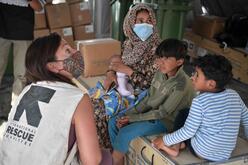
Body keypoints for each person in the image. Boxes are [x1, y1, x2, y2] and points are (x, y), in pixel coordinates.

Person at [0, 33, 102, 165]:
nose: (76, 51)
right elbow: (92, 160)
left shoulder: (27, 90)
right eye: (67, 50)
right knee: (106, 157)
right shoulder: (77, 98)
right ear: (53, 66)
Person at [108, 38, 196, 165]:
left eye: (166, 58)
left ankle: (116, 158)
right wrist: (129, 114)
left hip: (168, 121)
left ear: (180, 62)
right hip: (153, 112)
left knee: (125, 132)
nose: (161, 62)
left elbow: (163, 113)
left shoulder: (181, 84)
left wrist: (133, 118)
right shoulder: (160, 73)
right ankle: (119, 157)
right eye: (160, 57)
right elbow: (148, 98)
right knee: (113, 121)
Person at [152, 54, 248, 162]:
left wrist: (164, 140)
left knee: (184, 113)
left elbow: (188, 131)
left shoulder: (200, 102)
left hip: (202, 151)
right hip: (225, 153)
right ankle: (182, 144)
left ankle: (176, 147)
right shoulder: (234, 95)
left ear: (211, 84)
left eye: (197, 75)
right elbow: (246, 117)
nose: (192, 77)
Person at [92, 3, 160, 149]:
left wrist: (128, 71)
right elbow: (117, 65)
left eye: (149, 21)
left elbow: (154, 84)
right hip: (122, 87)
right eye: (140, 21)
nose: (145, 25)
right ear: (130, 22)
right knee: (90, 103)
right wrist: (111, 73)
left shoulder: (157, 50)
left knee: (98, 111)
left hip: (141, 95)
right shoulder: (128, 45)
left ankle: (104, 152)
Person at [0, 0, 42, 121]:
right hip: (1, 29)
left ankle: (15, 112)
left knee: (21, 75)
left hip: (23, 31)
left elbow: (39, 7)